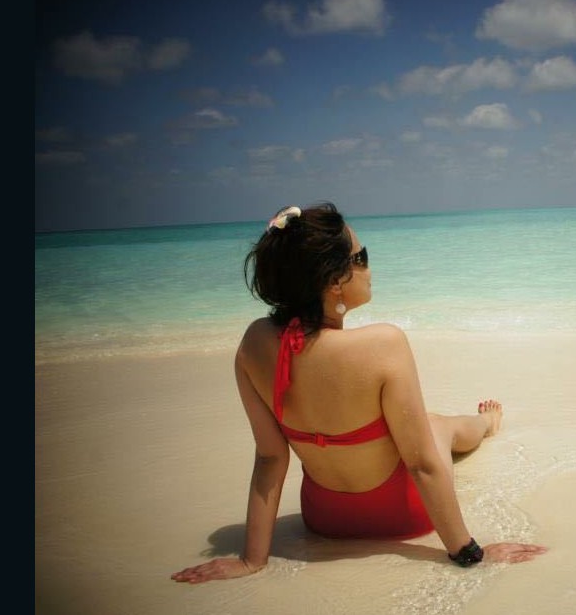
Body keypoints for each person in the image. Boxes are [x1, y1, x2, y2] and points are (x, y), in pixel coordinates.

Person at [172, 202, 547, 584]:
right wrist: (470, 553)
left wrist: (252, 560)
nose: (369, 268)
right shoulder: (384, 344)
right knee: (438, 428)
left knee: (419, 427)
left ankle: (480, 423)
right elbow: (421, 465)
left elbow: (271, 458)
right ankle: (485, 422)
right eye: (361, 258)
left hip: (324, 518)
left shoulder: (253, 343)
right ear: (335, 280)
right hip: (403, 515)